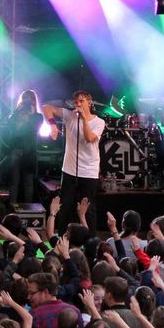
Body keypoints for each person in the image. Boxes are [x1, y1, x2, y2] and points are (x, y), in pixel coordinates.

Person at [43, 91, 106, 231]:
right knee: (65, 206)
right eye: (76, 101)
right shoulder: (69, 116)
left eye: (81, 101)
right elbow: (46, 107)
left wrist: (84, 119)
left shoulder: (99, 122)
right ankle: (62, 238)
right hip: (69, 170)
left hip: (89, 171)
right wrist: (52, 124)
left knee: (87, 209)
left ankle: (90, 242)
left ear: (89, 102)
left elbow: (89, 138)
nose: (78, 104)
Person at [7, 89, 44, 206]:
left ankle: (28, 209)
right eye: (25, 99)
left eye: (30, 99)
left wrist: (30, 116)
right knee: (14, 181)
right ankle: (12, 207)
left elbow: (34, 129)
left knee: (28, 182)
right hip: (16, 150)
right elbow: (14, 129)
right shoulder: (15, 115)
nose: (28, 102)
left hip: (30, 152)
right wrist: (19, 113)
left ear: (33, 101)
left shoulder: (38, 117)